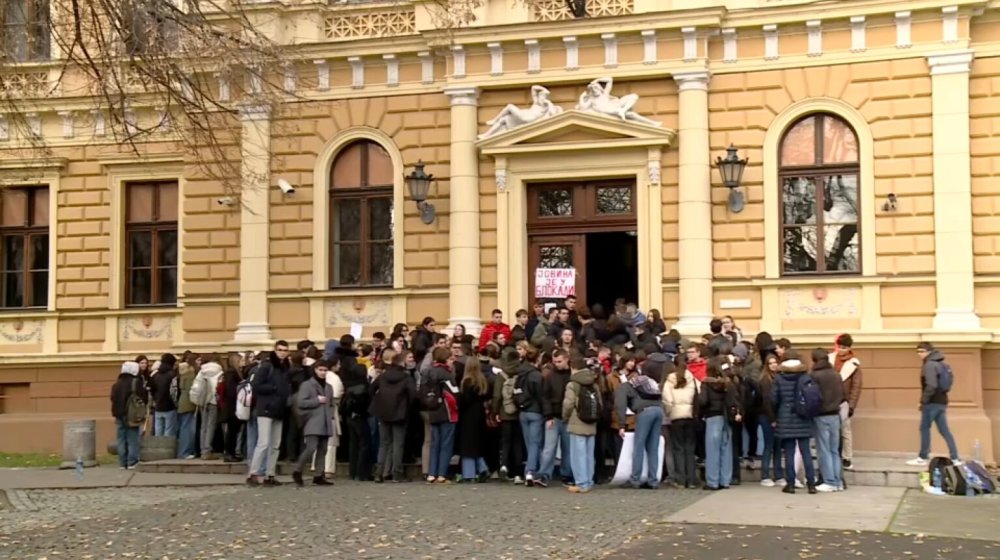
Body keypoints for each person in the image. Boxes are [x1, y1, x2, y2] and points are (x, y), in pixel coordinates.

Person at [771, 349, 817, 494]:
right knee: (806, 452)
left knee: (789, 452)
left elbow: (773, 399)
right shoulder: (805, 375)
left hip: (785, 417)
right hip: (803, 416)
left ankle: (790, 484)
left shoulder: (779, 377)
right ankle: (811, 484)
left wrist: (777, 412)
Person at [907, 342, 960, 465]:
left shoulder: (929, 365)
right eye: (918, 352)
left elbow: (931, 385)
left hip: (931, 403)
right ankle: (955, 458)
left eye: (922, 351)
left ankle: (923, 457)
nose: (919, 354)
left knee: (924, 428)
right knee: (944, 430)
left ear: (929, 351)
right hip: (942, 402)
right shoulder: (941, 364)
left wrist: (922, 401)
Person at [615, 359, 664, 489]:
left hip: (644, 412)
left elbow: (620, 405)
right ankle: (653, 480)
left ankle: (635, 479)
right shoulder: (649, 383)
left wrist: (621, 424)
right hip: (659, 411)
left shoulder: (625, 386)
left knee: (639, 446)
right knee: (653, 447)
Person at [248, 341, 291, 487]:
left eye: (285, 350)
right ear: (275, 350)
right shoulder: (267, 366)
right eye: (280, 350)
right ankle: (253, 473)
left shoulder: (286, 367)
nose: (283, 352)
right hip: (265, 408)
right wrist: (274, 388)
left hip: (279, 409)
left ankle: (270, 474)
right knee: (264, 442)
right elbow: (256, 386)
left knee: (275, 445)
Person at [370, 350, 417, 483]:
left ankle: (378, 473)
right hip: (400, 413)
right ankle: (397, 473)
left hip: (383, 411)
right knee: (398, 444)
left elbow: (372, 389)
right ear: (402, 363)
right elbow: (413, 395)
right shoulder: (406, 377)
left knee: (384, 444)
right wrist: (407, 406)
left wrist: (378, 401)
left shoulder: (384, 376)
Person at [292, 359, 336, 487]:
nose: (322, 372)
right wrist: (316, 401)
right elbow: (301, 402)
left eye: (325, 370)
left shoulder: (329, 387)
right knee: (311, 448)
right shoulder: (307, 385)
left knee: (323, 450)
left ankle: (318, 475)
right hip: (313, 421)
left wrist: (331, 413)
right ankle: (298, 470)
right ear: (315, 370)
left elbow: (331, 403)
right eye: (320, 370)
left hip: (326, 420)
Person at [562, 355, 600, 493]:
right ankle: (589, 481)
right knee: (589, 454)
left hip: (577, 421)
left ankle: (581, 483)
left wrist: (565, 417)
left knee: (578, 455)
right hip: (591, 422)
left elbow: (568, 404)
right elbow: (599, 403)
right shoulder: (593, 383)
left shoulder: (572, 384)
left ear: (573, 368)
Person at [700, 357, 738, 490]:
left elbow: (703, 401)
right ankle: (725, 480)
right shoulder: (729, 383)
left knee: (712, 450)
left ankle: (712, 481)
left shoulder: (706, 383)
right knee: (726, 450)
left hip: (712, 417)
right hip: (726, 417)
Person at [809, 348, 845, 492]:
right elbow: (843, 395)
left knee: (823, 450)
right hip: (835, 414)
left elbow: (812, 396)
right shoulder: (836, 375)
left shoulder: (814, 375)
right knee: (834, 450)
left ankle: (829, 481)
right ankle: (838, 481)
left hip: (821, 415)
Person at [424, 346, 459, 483]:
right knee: (446, 445)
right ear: (445, 359)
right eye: (450, 359)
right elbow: (453, 395)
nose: (452, 361)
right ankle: (442, 475)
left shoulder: (428, 371)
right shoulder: (447, 374)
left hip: (432, 410)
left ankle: (431, 473)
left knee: (434, 444)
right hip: (447, 412)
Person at [539, 349, 574, 487]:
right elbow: (545, 397)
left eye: (559, 361)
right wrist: (548, 416)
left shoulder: (572, 375)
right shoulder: (550, 376)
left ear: (566, 359)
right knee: (549, 448)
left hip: (568, 417)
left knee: (568, 448)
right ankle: (544, 474)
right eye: (555, 362)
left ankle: (567, 474)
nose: (557, 364)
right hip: (554, 416)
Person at [456, 358, 491, 482]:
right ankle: (482, 467)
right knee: (476, 444)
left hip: (468, 416)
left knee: (467, 446)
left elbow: (465, 401)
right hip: (479, 414)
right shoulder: (482, 381)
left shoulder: (467, 382)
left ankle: (469, 474)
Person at [831, 333, 862, 470]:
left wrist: (852, 406)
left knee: (845, 430)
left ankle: (847, 457)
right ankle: (834, 454)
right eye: (839, 347)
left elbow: (856, 386)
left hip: (844, 402)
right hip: (830, 400)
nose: (841, 350)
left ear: (849, 348)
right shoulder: (830, 358)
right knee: (832, 430)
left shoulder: (854, 363)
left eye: (844, 347)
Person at [111, 361, 147, 469]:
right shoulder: (135, 382)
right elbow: (143, 397)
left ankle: (122, 462)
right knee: (132, 438)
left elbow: (112, 398)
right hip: (132, 414)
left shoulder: (116, 384)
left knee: (121, 438)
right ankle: (132, 461)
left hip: (118, 414)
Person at [758, 354, 784, 487]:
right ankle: (765, 475)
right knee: (769, 445)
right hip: (767, 416)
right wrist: (772, 419)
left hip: (777, 416)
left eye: (775, 362)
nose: (773, 365)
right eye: (770, 363)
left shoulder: (779, 377)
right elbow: (767, 402)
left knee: (778, 446)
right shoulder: (765, 380)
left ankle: (779, 475)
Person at [149, 353, 179, 437]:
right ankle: (167, 449)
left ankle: (158, 448)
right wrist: (176, 403)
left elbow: (151, 390)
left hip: (158, 406)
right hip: (169, 407)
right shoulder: (172, 375)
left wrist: (156, 400)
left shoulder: (156, 375)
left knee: (158, 431)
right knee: (169, 431)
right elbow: (174, 391)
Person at [175, 353, 199, 459]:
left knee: (184, 427)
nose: (200, 362)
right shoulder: (191, 374)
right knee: (188, 428)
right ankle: (185, 451)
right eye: (198, 360)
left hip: (182, 402)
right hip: (188, 402)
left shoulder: (183, 373)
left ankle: (183, 451)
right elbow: (192, 390)